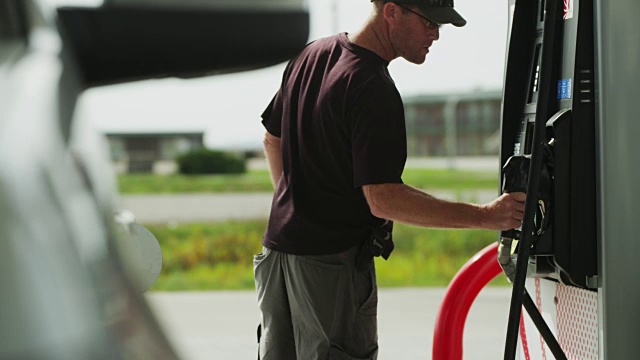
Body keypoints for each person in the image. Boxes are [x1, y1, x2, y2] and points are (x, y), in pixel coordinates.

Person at [254, 1, 526, 359]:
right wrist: (485, 216)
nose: (435, 34)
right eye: (429, 22)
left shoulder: (311, 56)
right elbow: (383, 198)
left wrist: (295, 204)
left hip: (278, 257)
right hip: (329, 268)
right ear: (392, 11)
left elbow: (272, 139)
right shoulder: (371, 86)